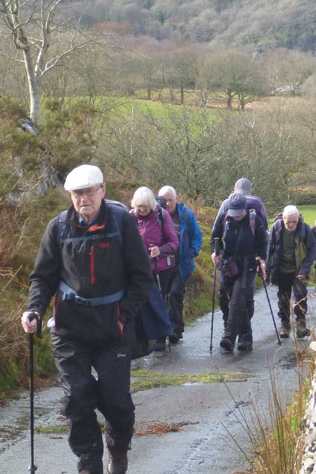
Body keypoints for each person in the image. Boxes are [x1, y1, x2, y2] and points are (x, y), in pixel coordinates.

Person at [21, 164, 154, 474]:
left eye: (89, 192)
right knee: (77, 398)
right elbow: (42, 277)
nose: (83, 199)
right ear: (70, 195)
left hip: (112, 328)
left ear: (102, 191)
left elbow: (141, 278)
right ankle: (88, 465)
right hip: (70, 329)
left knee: (116, 401)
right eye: (77, 194)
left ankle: (118, 449)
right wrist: (35, 311)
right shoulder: (58, 228)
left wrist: (123, 317)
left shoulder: (122, 223)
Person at [210, 193, 267, 352]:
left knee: (237, 300)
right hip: (227, 264)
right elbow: (214, 238)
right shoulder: (223, 218)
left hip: (247, 264)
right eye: (233, 213)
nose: (236, 217)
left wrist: (262, 260)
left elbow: (262, 243)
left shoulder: (255, 221)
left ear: (245, 209)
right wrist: (214, 252)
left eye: (239, 214)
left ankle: (228, 337)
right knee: (226, 301)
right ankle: (246, 337)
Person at [130, 186, 179, 351]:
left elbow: (174, 242)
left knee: (160, 302)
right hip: (140, 269)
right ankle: (144, 336)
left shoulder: (161, 215)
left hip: (161, 267)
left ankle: (161, 338)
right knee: (143, 302)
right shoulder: (129, 218)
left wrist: (160, 250)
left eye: (145, 207)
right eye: (139, 207)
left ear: (151, 204)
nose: (142, 210)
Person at [158, 185, 203, 344]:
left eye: (171, 200)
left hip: (182, 265)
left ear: (176, 199)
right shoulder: (156, 216)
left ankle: (175, 330)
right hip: (162, 266)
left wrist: (192, 251)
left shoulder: (186, 215)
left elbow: (197, 236)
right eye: (165, 200)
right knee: (163, 296)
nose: (168, 203)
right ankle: (163, 331)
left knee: (175, 294)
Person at [266, 205, 316, 339]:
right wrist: (266, 268)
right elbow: (269, 249)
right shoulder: (276, 228)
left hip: (298, 269)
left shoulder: (305, 229)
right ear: (283, 219)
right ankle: (285, 325)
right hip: (281, 269)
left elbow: (312, 250)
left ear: (298, 219)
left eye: (294, 221)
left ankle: (301, 325)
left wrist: (305, 269)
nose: (291, 224)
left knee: (301, 296)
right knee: (283, 299)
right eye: (289, 221)